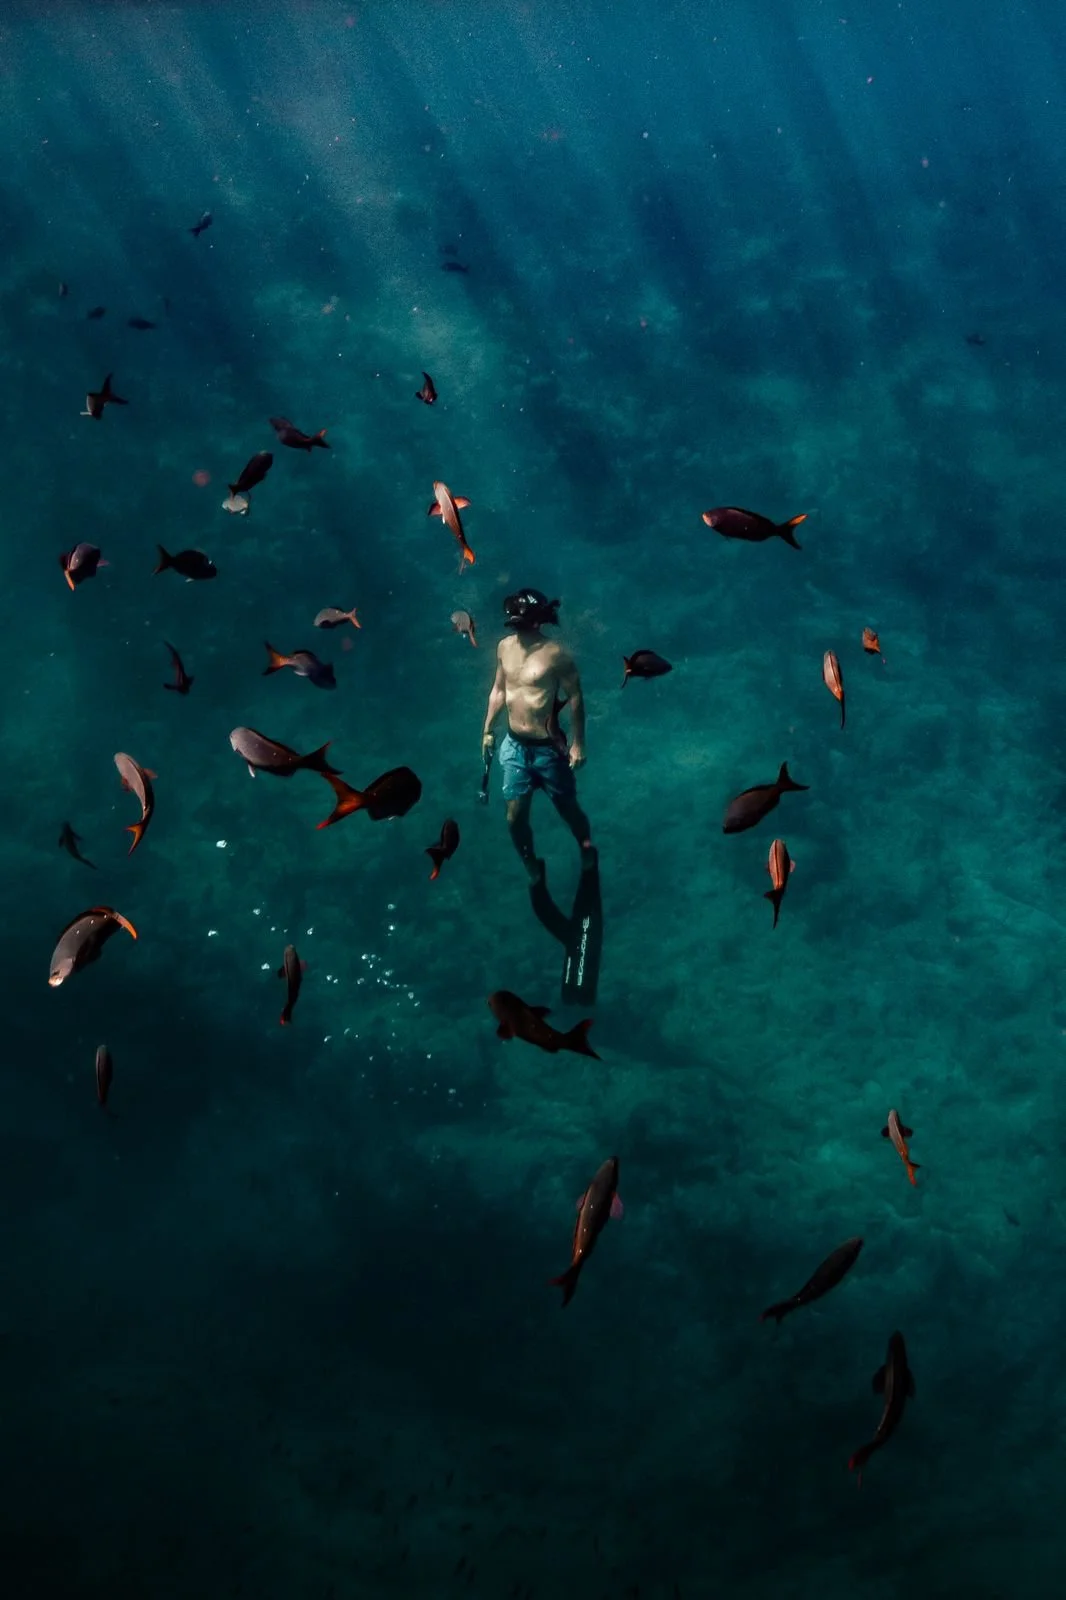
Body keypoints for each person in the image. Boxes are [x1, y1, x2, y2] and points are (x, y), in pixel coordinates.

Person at [481, 589, 595, 886]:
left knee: (568, 809)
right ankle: (531, 862)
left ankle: (586, 848)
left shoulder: (556, 654)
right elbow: (499, 690)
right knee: (514, 817)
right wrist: (488, 729)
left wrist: (578, 744)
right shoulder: (504, 647)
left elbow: (576, 697)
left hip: (549, 749)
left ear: (536, 620)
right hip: (515, 745)